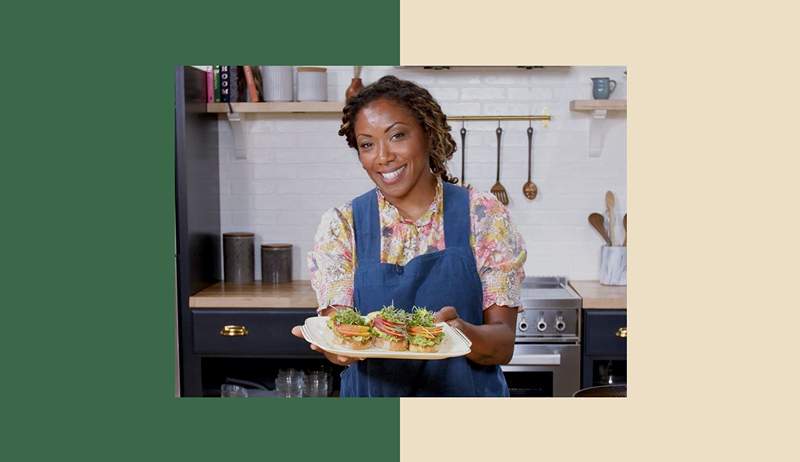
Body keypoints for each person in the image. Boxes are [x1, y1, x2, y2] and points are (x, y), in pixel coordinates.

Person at [291, 75, 526, 397]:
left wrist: (458, 332)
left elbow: (502, 346)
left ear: (428, 135)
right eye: (367, 144)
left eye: (397, 136)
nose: (383, 156)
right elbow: (338, 337)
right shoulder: (342, 225)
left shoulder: (483, 215)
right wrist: (336, 346)